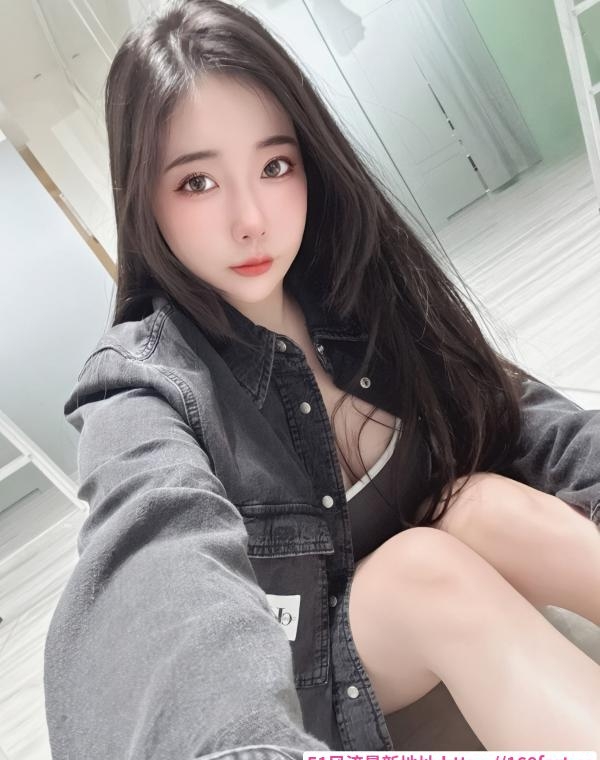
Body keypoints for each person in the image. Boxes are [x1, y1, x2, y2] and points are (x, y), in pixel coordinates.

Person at [43, 0, 600, 757]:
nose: (251, 219)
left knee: (481, 502)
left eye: (274, 167)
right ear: (143, 197)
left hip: (413, 594)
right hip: (298, 679)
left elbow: (518, 419)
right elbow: (160, 570)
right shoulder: (142, 384)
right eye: (197, 183)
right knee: (426, 569)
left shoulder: (351, 286)